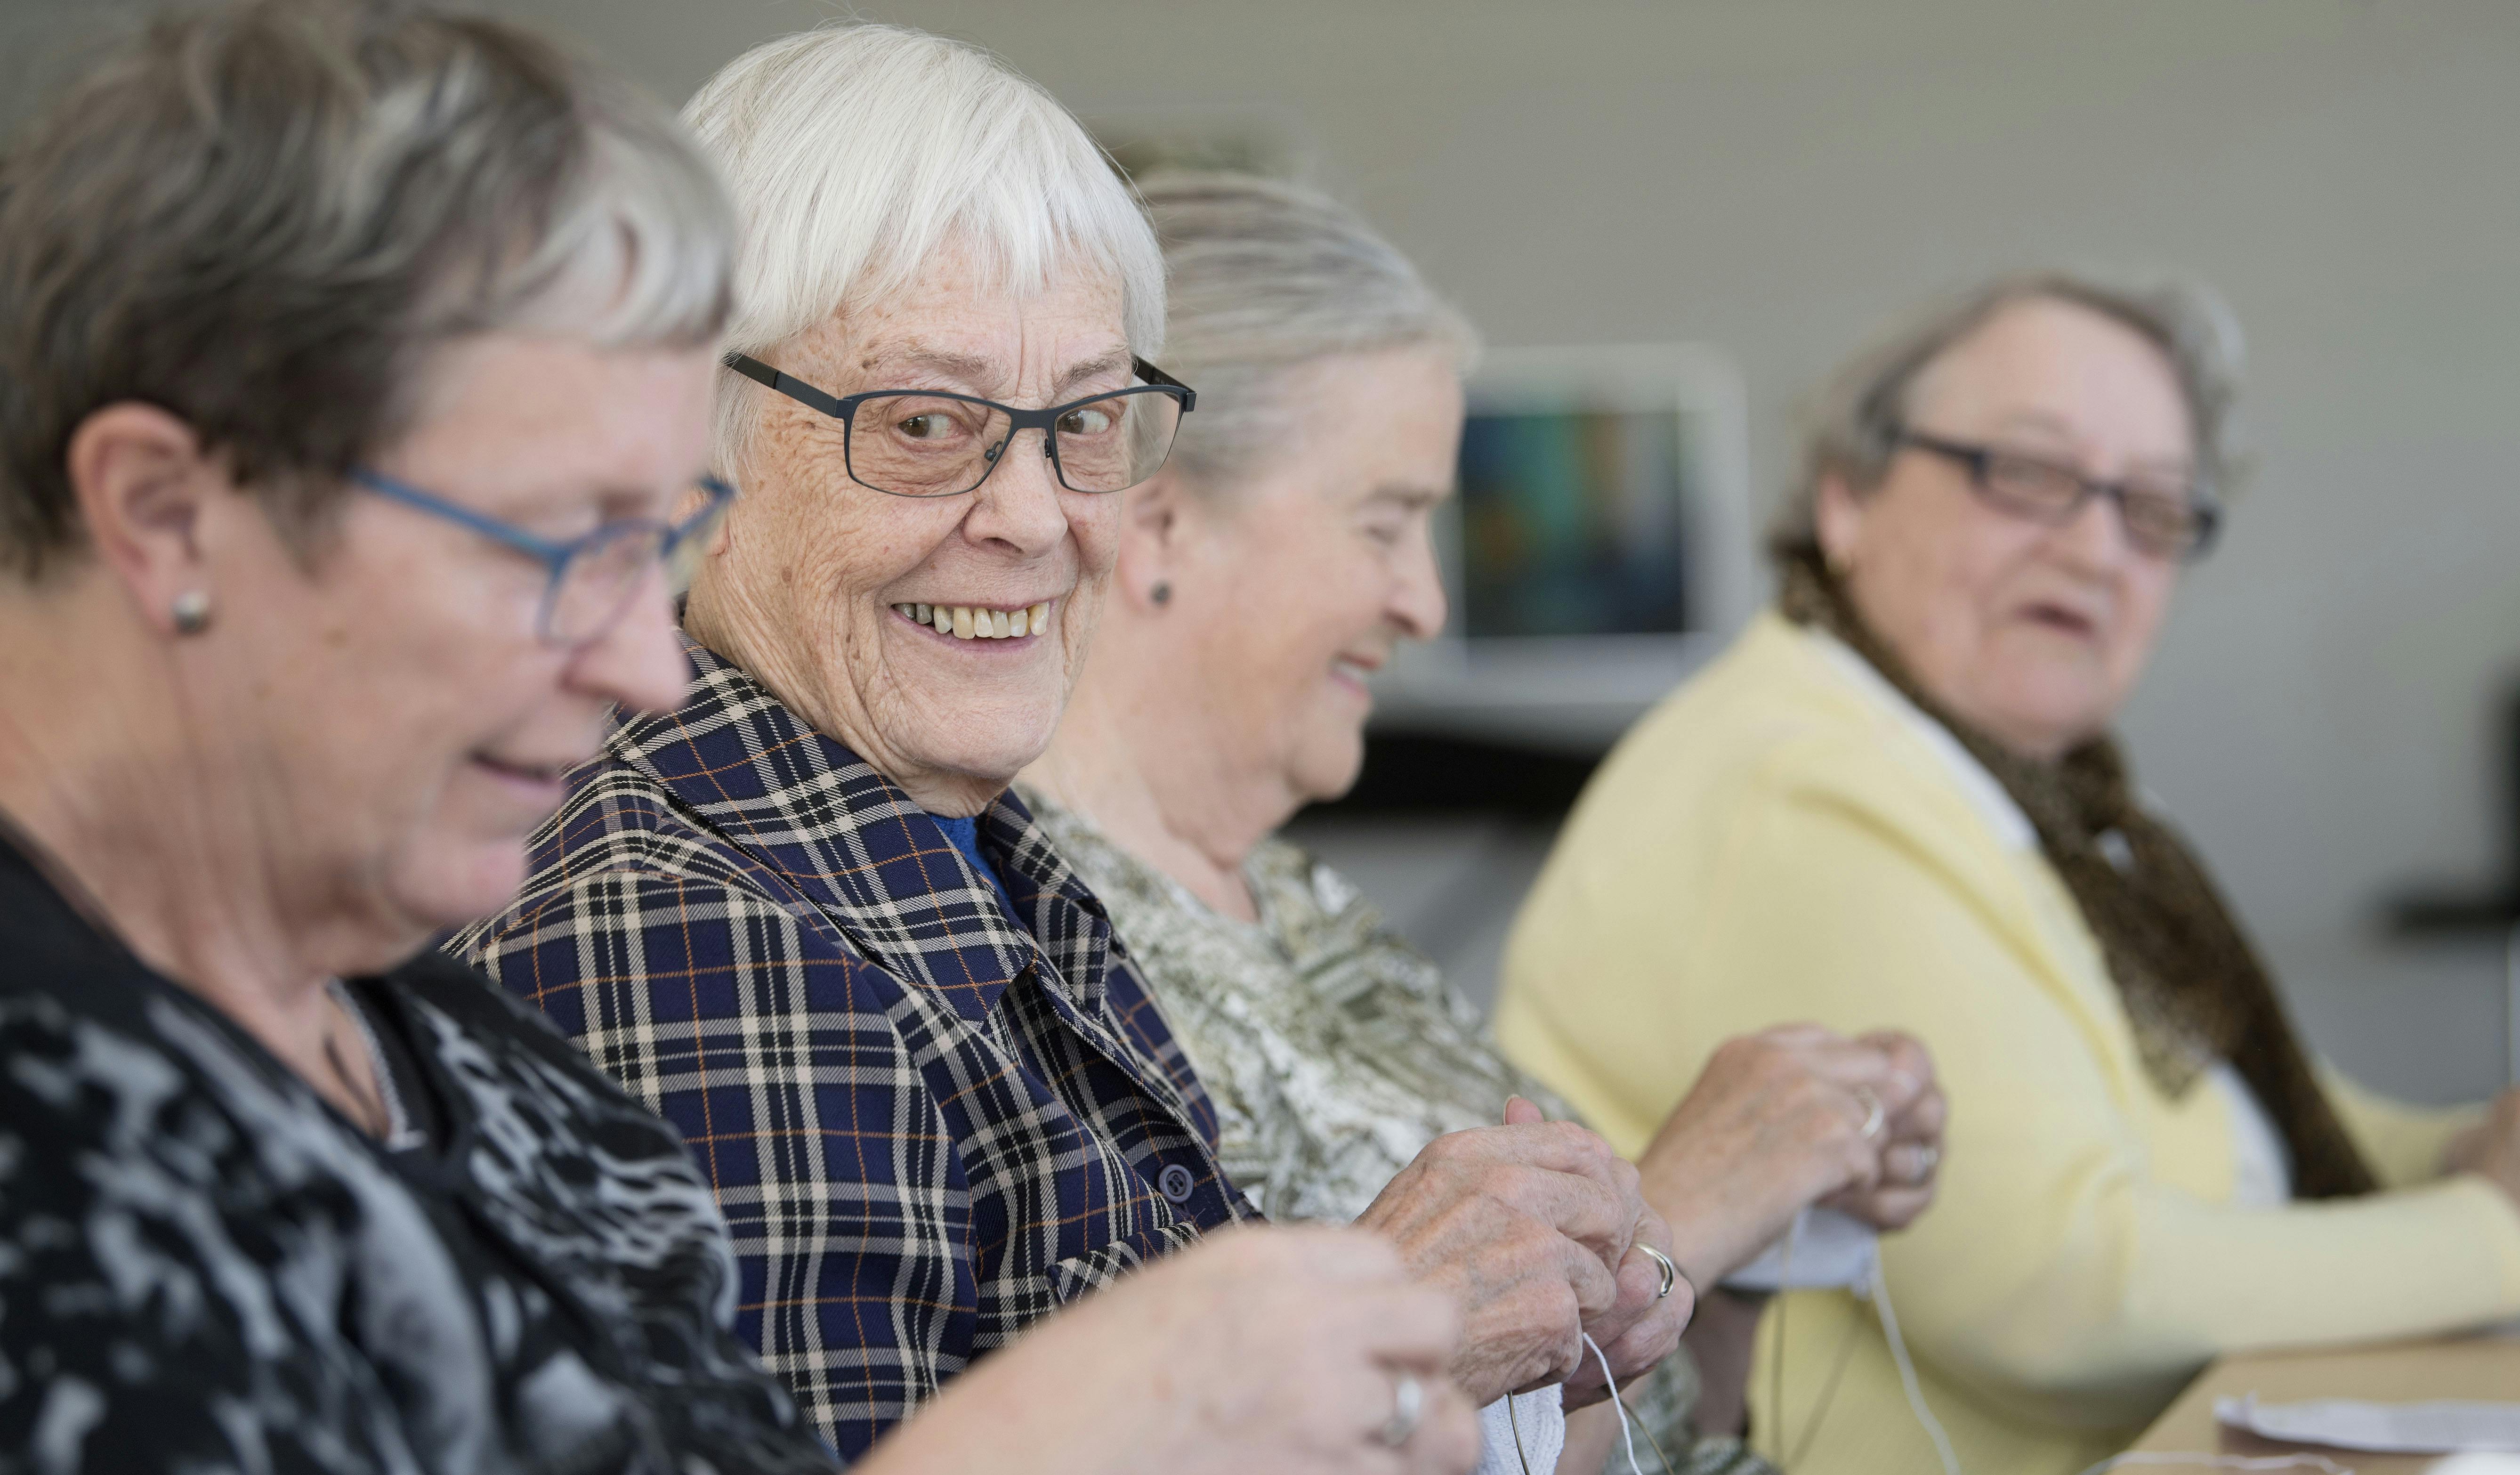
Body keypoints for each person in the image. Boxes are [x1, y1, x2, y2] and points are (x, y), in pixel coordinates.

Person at [0, 3, 1485, 1471]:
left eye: (649, 537)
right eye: (552, 542)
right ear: (166, 518)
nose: (648, 660)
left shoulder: (455, 1052)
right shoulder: (626, 924)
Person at [452, 23, 1687, 1465]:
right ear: (691, 443)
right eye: (924, 422)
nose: (1036, 517)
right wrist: (1387, 1327)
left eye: (1087, 421)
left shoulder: (987, 848)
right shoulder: (684, 928)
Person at [1494, 271, 2520, 1474]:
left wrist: (2507, 1155)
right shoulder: (1805, 785)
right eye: (2027, 473)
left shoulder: (2047, 798)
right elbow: (2056, 1293)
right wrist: (2510, 1230)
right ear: (1846, 499)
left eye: (2153, 507)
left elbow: (2250, 1127)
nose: (2094, 548)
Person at [1016, 171, 1949, 1475]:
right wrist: (1696, 1202)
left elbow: (1648, 1433)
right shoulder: (1033, 948)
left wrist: (1763, 1224)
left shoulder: (1301, 904)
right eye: (1385, 522)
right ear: (1161, 522)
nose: (1425, 602)